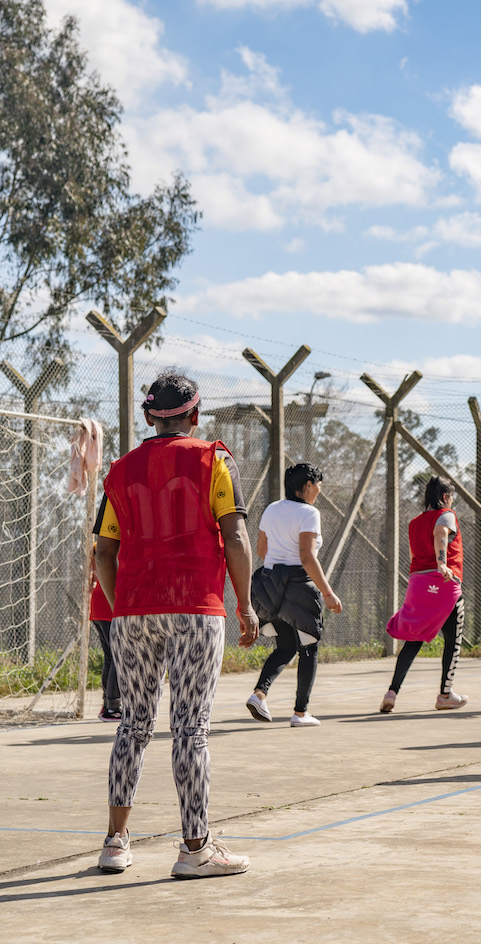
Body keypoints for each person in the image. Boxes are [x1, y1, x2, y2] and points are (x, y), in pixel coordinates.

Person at [93, 370, 258, 878]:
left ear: (148, 416)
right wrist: (246, 605)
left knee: (133, 725)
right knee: (190, 729)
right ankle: (195, 849)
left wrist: (125, 606)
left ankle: (116, 843)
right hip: (195, 606)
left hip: (135, 610)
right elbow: (235, 538)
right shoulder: (214, 460)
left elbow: (103, 552)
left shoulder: (120, 470)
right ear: (195, 413)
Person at [246, 463, 343, 727]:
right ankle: (300, 713)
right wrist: (328, 593)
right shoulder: (309, 513)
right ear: (308, 485)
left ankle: (259, 694)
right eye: (318, 486)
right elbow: (307, 556)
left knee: (286, 646)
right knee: (309, 647)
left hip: (270, 586)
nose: (319, 491)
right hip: (299, 585)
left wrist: (279, 571)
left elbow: (262, 550)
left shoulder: (272, 509)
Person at [379, 476, 468, 712]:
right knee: (453, 640)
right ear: (445, 497)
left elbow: (413, 556)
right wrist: (441, 564)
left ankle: (392, 692)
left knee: (413, 639)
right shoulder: (446, 514)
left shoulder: (415, 523)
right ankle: (445, 695)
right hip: (443, 583)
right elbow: (440, 534)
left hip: (418, 582)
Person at [88, 546, 120, 722]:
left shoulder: (96, 546)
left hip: (98, 605)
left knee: (110, 657)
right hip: (109, 605)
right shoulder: (116, 545)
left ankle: (107, 703)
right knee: (117, 657)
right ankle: (112, 706)